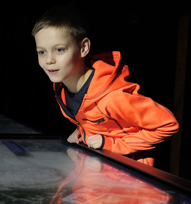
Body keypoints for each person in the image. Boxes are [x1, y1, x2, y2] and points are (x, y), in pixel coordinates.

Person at [31, 5, 179, 166]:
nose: (48, 60)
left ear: (84, 48)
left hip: (128, 177)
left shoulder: (113, 97)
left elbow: (167, 124)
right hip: (97, 172)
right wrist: (82, 132)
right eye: (42, 52)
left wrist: (112, 144)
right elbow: (95, 119)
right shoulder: (60, 87)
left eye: (59, 50)